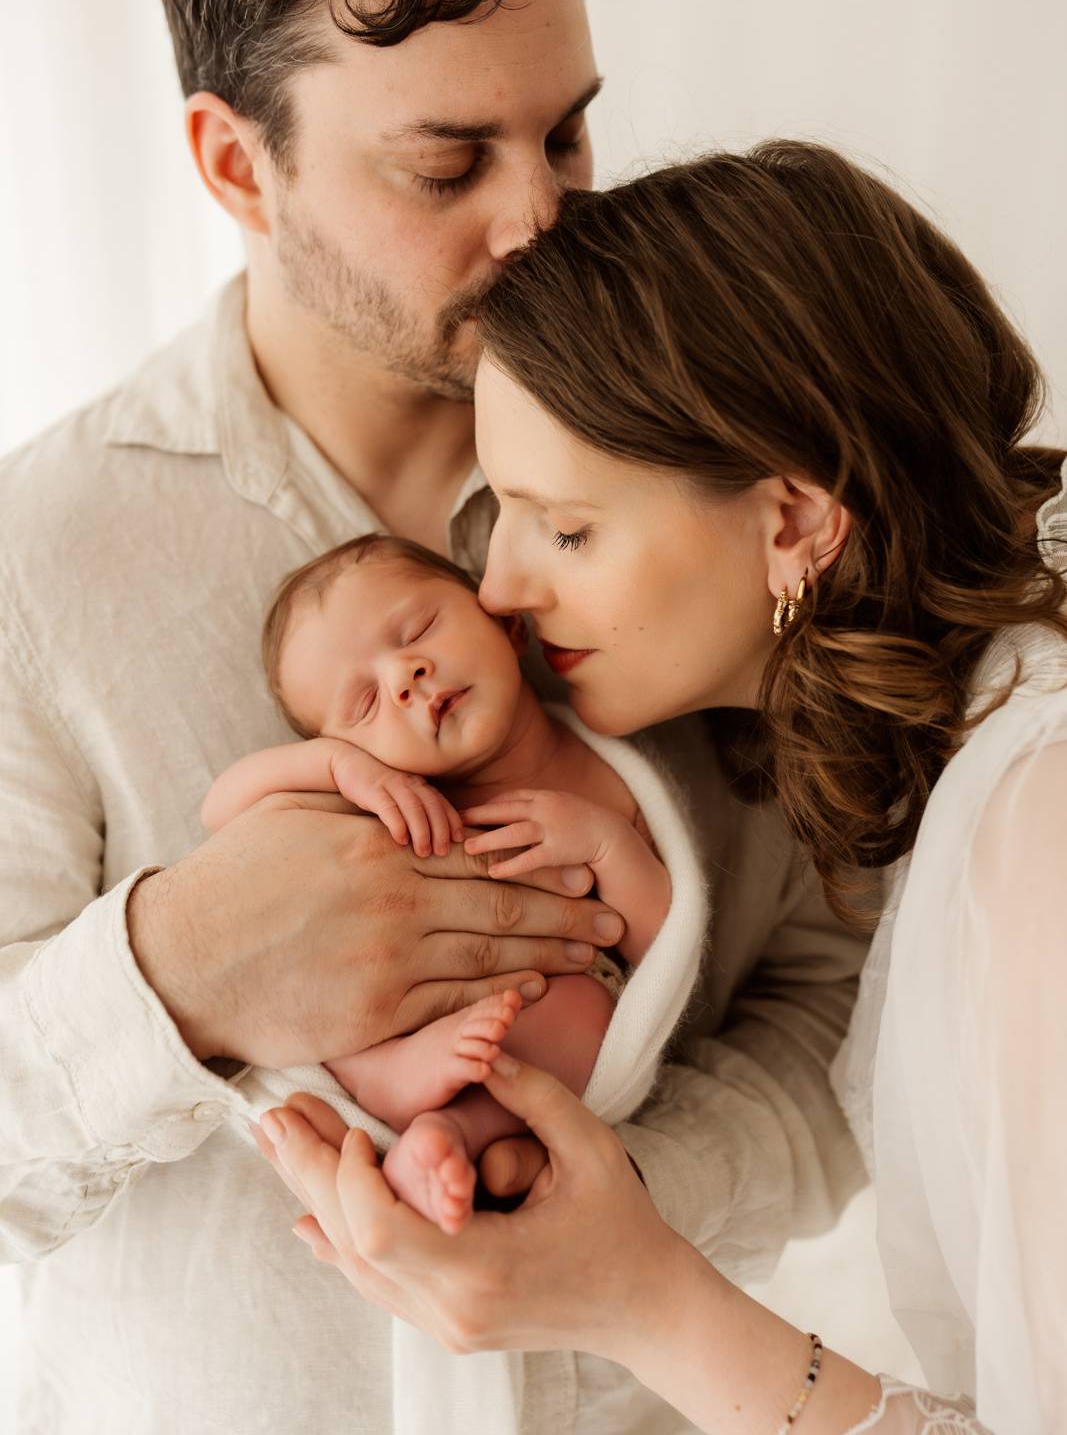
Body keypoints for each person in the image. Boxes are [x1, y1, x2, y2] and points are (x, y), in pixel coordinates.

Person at [0, 0, 866, 1432]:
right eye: (447, 164)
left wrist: (623, 1202)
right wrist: (174, 975)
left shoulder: (722, 483)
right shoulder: (34, 569)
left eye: (567, 131)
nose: (543, 222)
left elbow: (834, 991)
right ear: (234, 165)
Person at [254, 142, 1067, 1434]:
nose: (501, 593)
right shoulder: (968, 763)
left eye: (564, 528)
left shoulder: (1038, 832)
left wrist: (637, 1298)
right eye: (498, 519)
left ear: (793, 523)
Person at [203, 530, 673, 1233]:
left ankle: (446, 1140)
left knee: (580, 1017)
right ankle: (382, 1077)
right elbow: (223, 814)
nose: (405, 675)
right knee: (317, 956)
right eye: (364, 704)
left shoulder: (601, 777)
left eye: (418, 629)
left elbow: (659, 941)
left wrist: (608, 845)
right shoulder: (388, 798)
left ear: (504, 622)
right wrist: (339, 773)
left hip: (537, 1016)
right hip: (389, 1017)